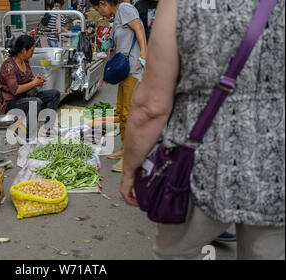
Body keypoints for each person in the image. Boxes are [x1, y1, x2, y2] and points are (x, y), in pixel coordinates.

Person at [120, 0, 285, 260]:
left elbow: (151, 106)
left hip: (197, 167)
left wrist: (130, 169)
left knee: (174, 254)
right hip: (276, 169)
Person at [91, 0, 147, 172]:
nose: (100, 13)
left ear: (103, 3)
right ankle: (124, 148)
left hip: (133, 69)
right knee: (122, 110)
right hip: (124, 70)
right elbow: (117, 47)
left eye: (98, 9)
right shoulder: (116, 16)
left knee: (129, 112)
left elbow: (139, 29)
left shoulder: (125, 8)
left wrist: (143, 55)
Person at [0, 35, 61, 140]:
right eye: (31, 51)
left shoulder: (25, 61)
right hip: (10, 102)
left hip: (24, 97)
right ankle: (29, 136)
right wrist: (34, 83)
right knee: (35, 102)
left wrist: (36, 79)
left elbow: (29, 77)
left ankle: (47, 129)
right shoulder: (9, 66)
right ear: (23, 50)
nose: (32, 54)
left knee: (54, 94)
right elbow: (15, 90)